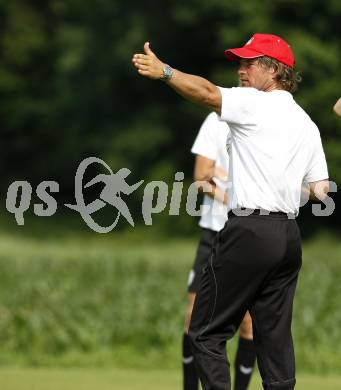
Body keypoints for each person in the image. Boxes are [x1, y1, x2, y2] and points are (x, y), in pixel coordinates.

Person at [132, 33, 329, 390]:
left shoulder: (255, 103)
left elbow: (207, 93)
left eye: (249, 62)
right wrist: (282, 185)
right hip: (288, 238)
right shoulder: (307, 124)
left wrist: (166, 73)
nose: (241, 69)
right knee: (275, 343)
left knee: (205, 333)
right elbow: (320, 191)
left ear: (274, 70)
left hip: (250, 231)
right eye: (240, 62)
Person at [184, 112, 256, 390]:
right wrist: (229, 197)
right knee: (192, 316)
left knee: (248, 322)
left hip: (247, 233)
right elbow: (200, 176)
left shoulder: (269, 119)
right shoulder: (216, 118)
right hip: (213, 231)